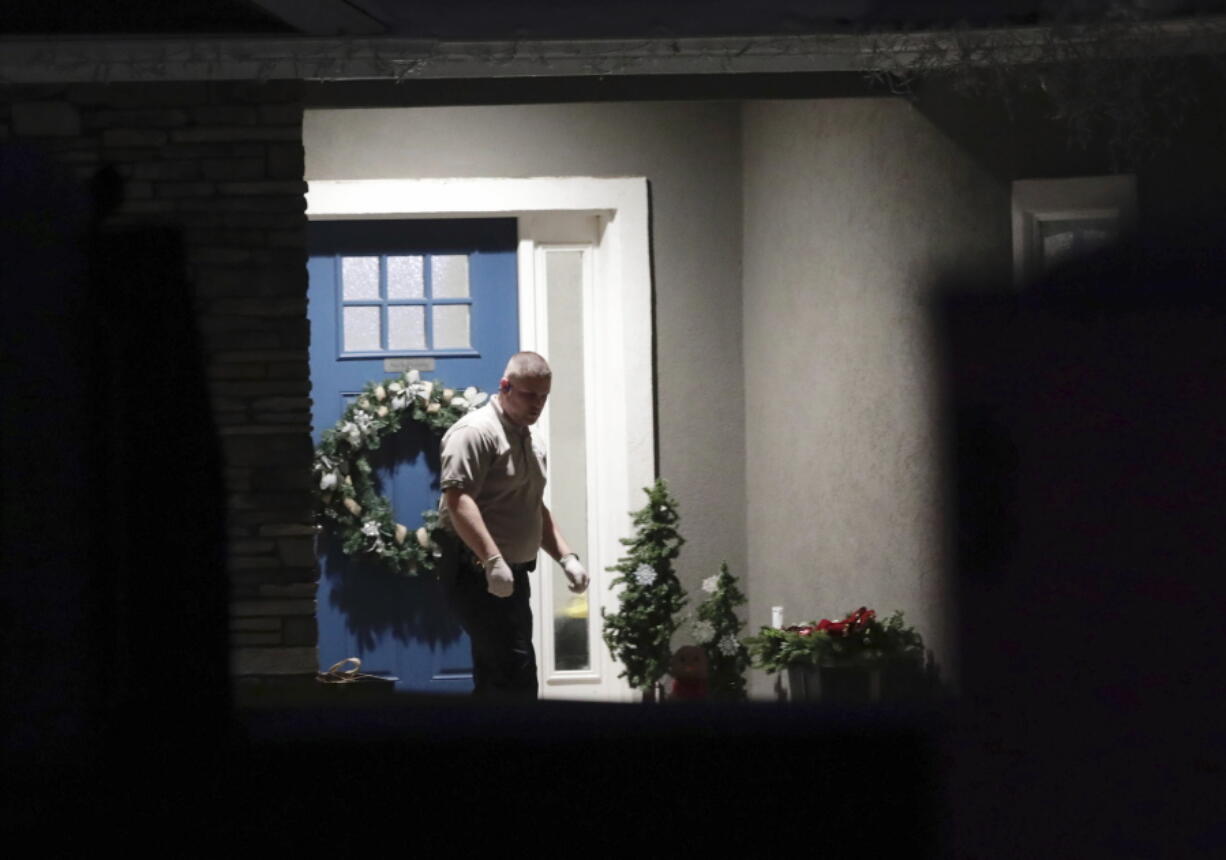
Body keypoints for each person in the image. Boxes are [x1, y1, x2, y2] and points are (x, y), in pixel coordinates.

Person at [436, 351, 589, 699]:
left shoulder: (531, 439)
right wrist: (492, 561)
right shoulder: (475, 432)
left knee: (497, 677)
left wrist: (566, 557)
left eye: (544, 396)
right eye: (529, 394)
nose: (538, 404)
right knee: (515, 677)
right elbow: (458, 500)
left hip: (512, 574)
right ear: (505, 386)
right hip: (476, 571)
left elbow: (531, 505)